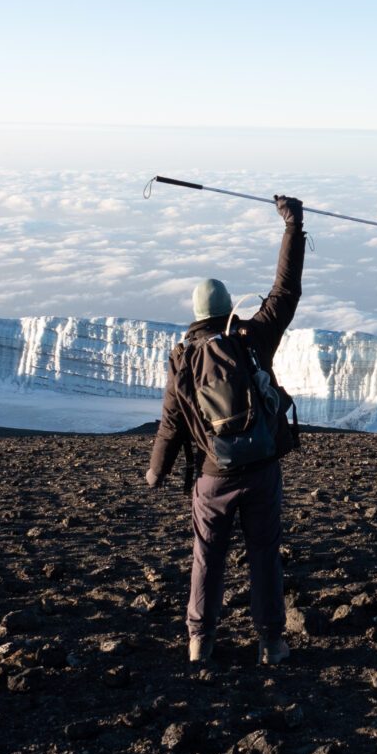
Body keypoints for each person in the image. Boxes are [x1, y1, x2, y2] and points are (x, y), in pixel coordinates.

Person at [146, 194, 306, 665]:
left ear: (196, 313)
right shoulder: (252, 339)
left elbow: (171, 424)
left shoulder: (184, 359)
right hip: (260, 471)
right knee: (263, 557)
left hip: (213, 478)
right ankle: (272, 643)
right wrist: (292, 228)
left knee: (207, 558)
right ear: (226, 308)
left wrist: (157, 472)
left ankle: (201, 642)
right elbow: (285, 291)